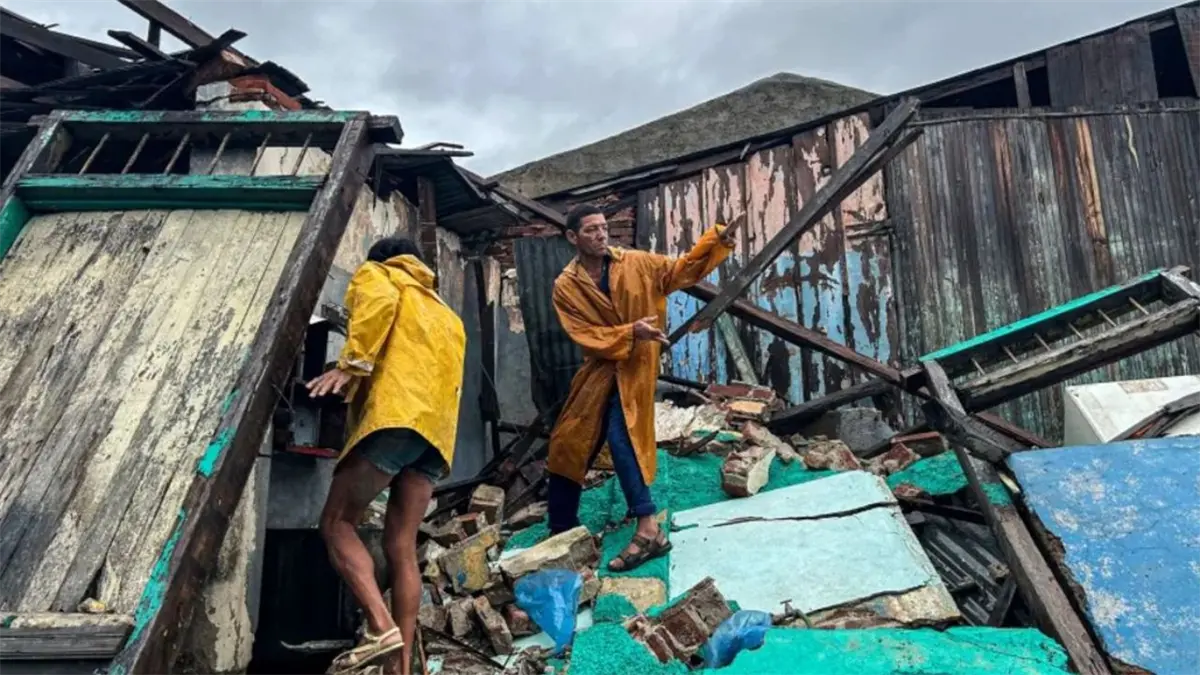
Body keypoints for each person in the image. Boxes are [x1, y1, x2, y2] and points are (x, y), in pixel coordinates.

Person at [547, 204, 739, 572]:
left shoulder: (636, 263)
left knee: (623, 437)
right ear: (572, 237)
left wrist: (716, 241)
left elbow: (681, 271)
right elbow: (585, 335)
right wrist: (629, 333)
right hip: (599, 370)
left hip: (635, 368)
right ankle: (561, 528)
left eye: (603, 227)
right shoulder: (566, 287)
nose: (601, 235)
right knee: (568, 441)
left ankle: (648, 527)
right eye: (590, 230)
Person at [308, 237, 466, 675]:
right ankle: (401, 667)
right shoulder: (445, 312)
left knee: (337, 523)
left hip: (396, 420)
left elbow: (375, 307)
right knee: (401, 544)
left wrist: (349, 365)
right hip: (436, 436)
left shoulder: (379, 274)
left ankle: (381, 629)